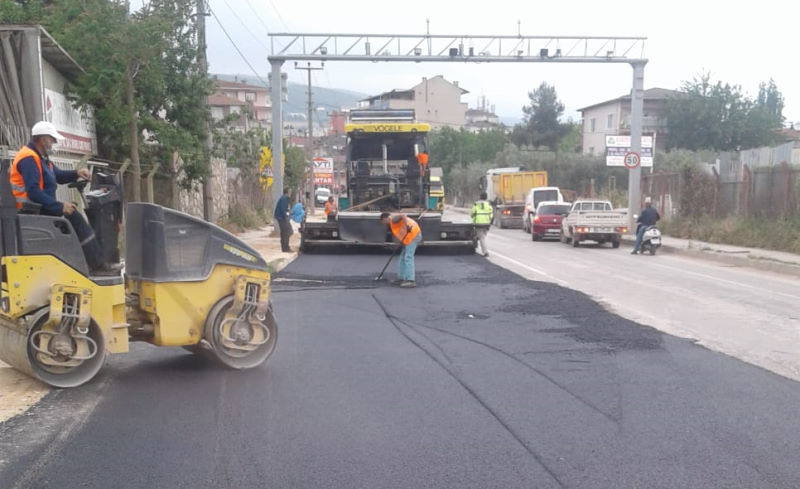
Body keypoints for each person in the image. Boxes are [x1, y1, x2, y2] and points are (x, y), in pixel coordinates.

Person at [11, 121, 116, 274]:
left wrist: (76, 173)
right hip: (31, 210)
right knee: (75, 218)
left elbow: (58, 176)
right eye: (53, 139)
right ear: (43, 139)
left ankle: (88, 262)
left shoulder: (41, 158)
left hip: (40, 207)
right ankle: (97, 264)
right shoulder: (29, 159)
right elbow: (33, 191)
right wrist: (60, 207)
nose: (54, 142)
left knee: (72, 213)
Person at [380, 212, 421, 288]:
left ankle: (411, 280)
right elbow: (400, 232)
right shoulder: (393, 222)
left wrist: (407, 226)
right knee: (402, 257)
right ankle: (401, 278)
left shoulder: (393, 218)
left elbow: (403, 215)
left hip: (413, 235)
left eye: (383, 222)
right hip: (408, 237)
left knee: (408, 257)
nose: (384, 224)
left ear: (384, 219)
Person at [470, 191, 493, 257]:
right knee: (482, 236)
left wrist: (473, 217)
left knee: (481, 238)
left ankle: (485, 252)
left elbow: (472, 213)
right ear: (486, 197)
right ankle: (475, 238)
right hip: (486, 223)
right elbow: (491, 214)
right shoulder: (488, 204)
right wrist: (489, 221)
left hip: (478, 223)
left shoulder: (476, 204)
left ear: (480, 197)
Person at [274, 187, 292, 252]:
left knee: (285, 232)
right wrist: (286, 217)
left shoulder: (285, 198)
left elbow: (285, 208)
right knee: (287, 232)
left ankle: (285, 247)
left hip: (281, 217)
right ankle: (285, 248)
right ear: (287, 192)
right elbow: (282, 209)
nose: (291, 193)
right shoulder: (284, 198)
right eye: (290, 192)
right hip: (281, 217)